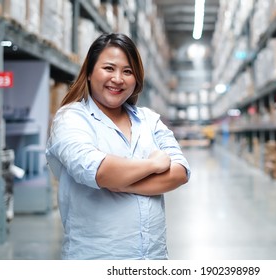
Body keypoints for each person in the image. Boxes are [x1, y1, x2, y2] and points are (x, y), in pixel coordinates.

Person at [45, 33, 190, 260]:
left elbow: (179, 173)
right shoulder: (71, 118)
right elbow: (99, 172)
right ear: (90, 73)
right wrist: (153, 164)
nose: (118, 79)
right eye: (109, 68)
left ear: (137, 79)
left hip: (153, 258)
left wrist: (123, 184)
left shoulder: (149, 120)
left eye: (127, 71)